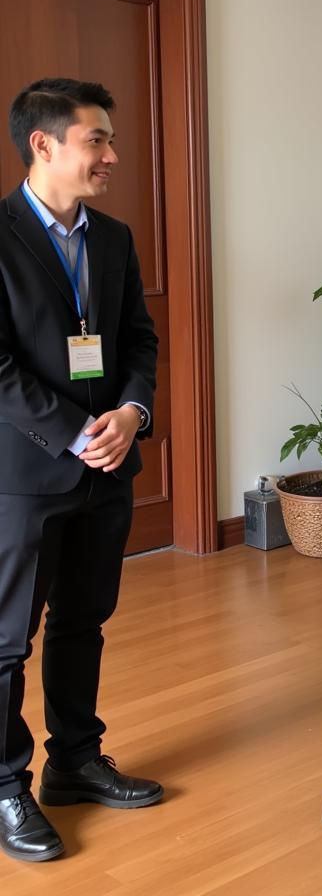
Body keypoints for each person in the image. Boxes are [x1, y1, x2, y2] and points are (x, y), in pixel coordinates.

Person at [0, 79, 162, 863]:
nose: (111, 155)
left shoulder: (115, 239)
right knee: (6, 639)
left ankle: (73, 758)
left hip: (109, 468)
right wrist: (73, 434)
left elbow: (137, 340)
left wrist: (133, 415)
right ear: (43, 144)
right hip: (25, 475)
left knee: (82, 621)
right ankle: (5, 784)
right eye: (96, 140)